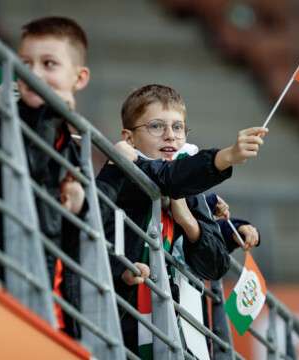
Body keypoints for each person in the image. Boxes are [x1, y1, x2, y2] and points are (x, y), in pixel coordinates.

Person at [0, 16, 137, 338]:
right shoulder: (4, 126)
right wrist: (52, 114)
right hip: (9, 297)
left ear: (79, 78)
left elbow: (79, 234)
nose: (34, 74)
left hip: (59, 314)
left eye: (49, 64)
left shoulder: (72, 146)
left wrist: (87, 200)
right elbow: (24, 174)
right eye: (25, 63)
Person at [96, 84, 267, 354]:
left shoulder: (189, 189)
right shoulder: (124, 171)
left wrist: (189, 222)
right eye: (156, 126)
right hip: (128, 328)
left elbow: (216, 266)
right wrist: (227, 156)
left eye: (178, 127)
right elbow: (167, 177)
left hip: (185, 331)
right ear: (129, 139)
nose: (170, 136)